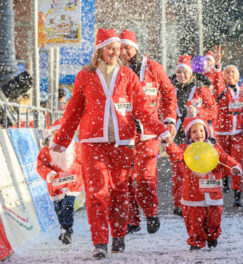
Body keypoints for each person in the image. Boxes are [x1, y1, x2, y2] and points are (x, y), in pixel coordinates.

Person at [50, 28, 172, 260]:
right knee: (97, 193)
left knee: (119, 192)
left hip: (123, 143)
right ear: (100, 50)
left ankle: (118, 235)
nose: (116, 52)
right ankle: (100, 242)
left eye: (118, 48)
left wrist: (162, 130)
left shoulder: (127, 75)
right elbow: (73, 111)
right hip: (92, 143)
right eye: (111, 48)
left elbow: (144, 110)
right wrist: (62, 140)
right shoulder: (85, 75)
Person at [119, 29, 177, 234]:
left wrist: (169, 119)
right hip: (123, 134)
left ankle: (151, 214)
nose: (124, 52)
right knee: (124, 179)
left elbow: (169, 92)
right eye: (121, 48)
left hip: (148, 132)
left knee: (145, 177)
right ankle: (132, 220)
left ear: (135, 47)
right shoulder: (115, 69)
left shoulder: (153, 68)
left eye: (127, 47)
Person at [165, 117, 242, 250]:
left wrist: (234, 167)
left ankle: (212, 235)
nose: (198, 134)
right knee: (195, 219)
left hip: (213, 191)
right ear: (189, 134)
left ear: (206, 132)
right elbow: (176, 155)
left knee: (214, 217)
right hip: (193, 194)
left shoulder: (214, 148)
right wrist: (168, 143)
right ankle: (196, 241)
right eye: (194, 131)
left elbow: (226, 159)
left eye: (201, 130)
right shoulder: (185, 149)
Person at [169, 55, 217, 215]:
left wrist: (198, 112)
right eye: (179, 72)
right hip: (177, 135)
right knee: (179, 171)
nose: (181, 75)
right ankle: (179, 204)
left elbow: (213, 111)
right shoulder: (170, 90)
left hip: (196, 135)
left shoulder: (200, 89)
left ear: (191, 73)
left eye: (185, 72)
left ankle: (199, 200)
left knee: (198, 169)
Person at [37, 119, 83, 245]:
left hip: (71, 184)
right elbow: (41, 165)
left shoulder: (76, 147)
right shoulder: (47, 150)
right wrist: (48, 173)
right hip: (55, 186)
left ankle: (67, 229)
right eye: (56, 134)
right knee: (59, 210)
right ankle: (64, 228)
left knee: (68, 206)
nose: (59, 137)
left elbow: (85, 162)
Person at [214, 65, 243, 207]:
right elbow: (217, 81)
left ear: (237, 76)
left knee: (237, 162)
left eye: (232, 72)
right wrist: (218, 67)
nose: (230, 74)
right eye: (227, 72)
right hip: (222, 131)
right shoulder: (221, 89)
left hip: (238, 132)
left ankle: (237, 194)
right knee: (220, 160)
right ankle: (222, 182)